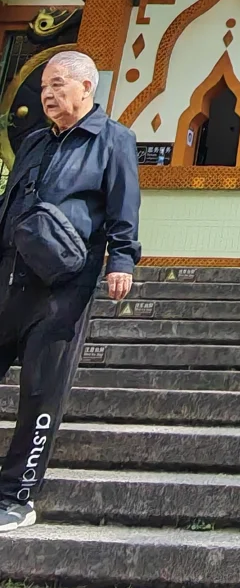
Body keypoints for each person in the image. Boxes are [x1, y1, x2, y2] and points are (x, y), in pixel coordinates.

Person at [0, 51, 140, 533]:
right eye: (43, 87)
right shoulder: (35, 140)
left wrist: (121, 260)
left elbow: (124, 204)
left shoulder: (113, 140)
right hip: (10, 275)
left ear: (87, 88)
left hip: (64, 284)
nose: (48, 94)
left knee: (41, 390)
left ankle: (18, 494)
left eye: (59, 84)